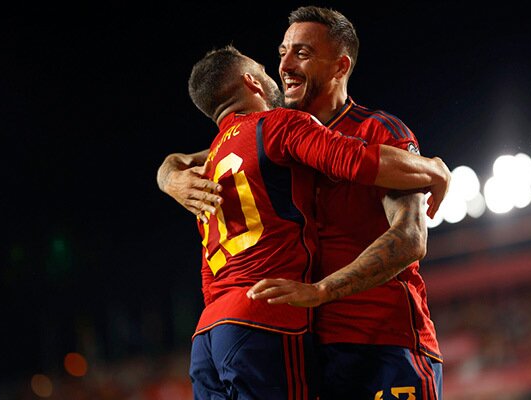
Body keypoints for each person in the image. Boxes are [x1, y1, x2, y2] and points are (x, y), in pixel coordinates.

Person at [177, 44, 450, 399]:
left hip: (209, 331)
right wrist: (433, 168)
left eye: (300, 53)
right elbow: (354, 158)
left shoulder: (210, 161)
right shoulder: (278, 125)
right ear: (251, 81)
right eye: (267, 64)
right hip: (266, 315)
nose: (278, 69)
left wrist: (168, 171)